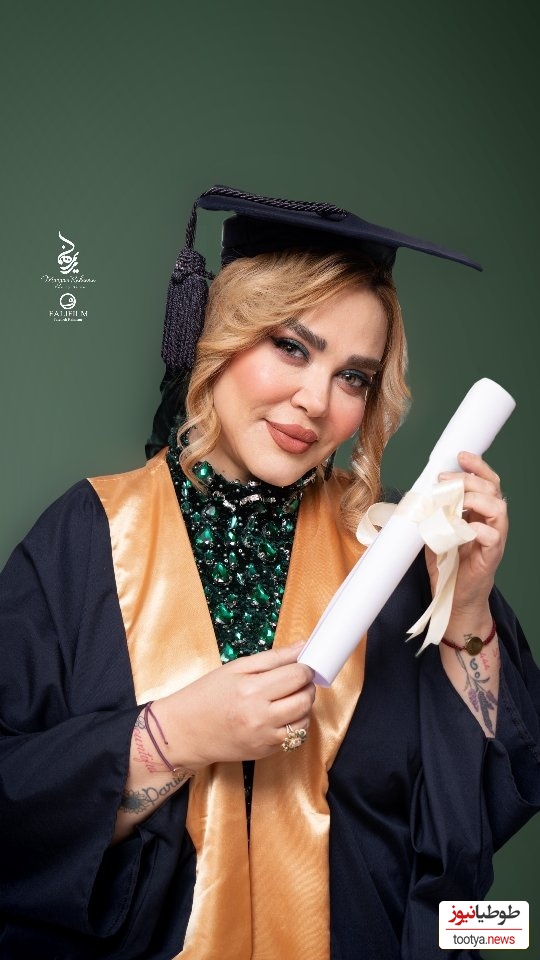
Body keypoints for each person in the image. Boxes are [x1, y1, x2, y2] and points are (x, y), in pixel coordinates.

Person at [0, 185, 539, 960]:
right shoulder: (88, 539)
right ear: (220, 332)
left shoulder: (396, 553)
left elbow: (469, 823)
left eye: (354, 377)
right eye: (291, 346)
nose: (315, 400)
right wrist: (175, 736)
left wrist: (467, 606)